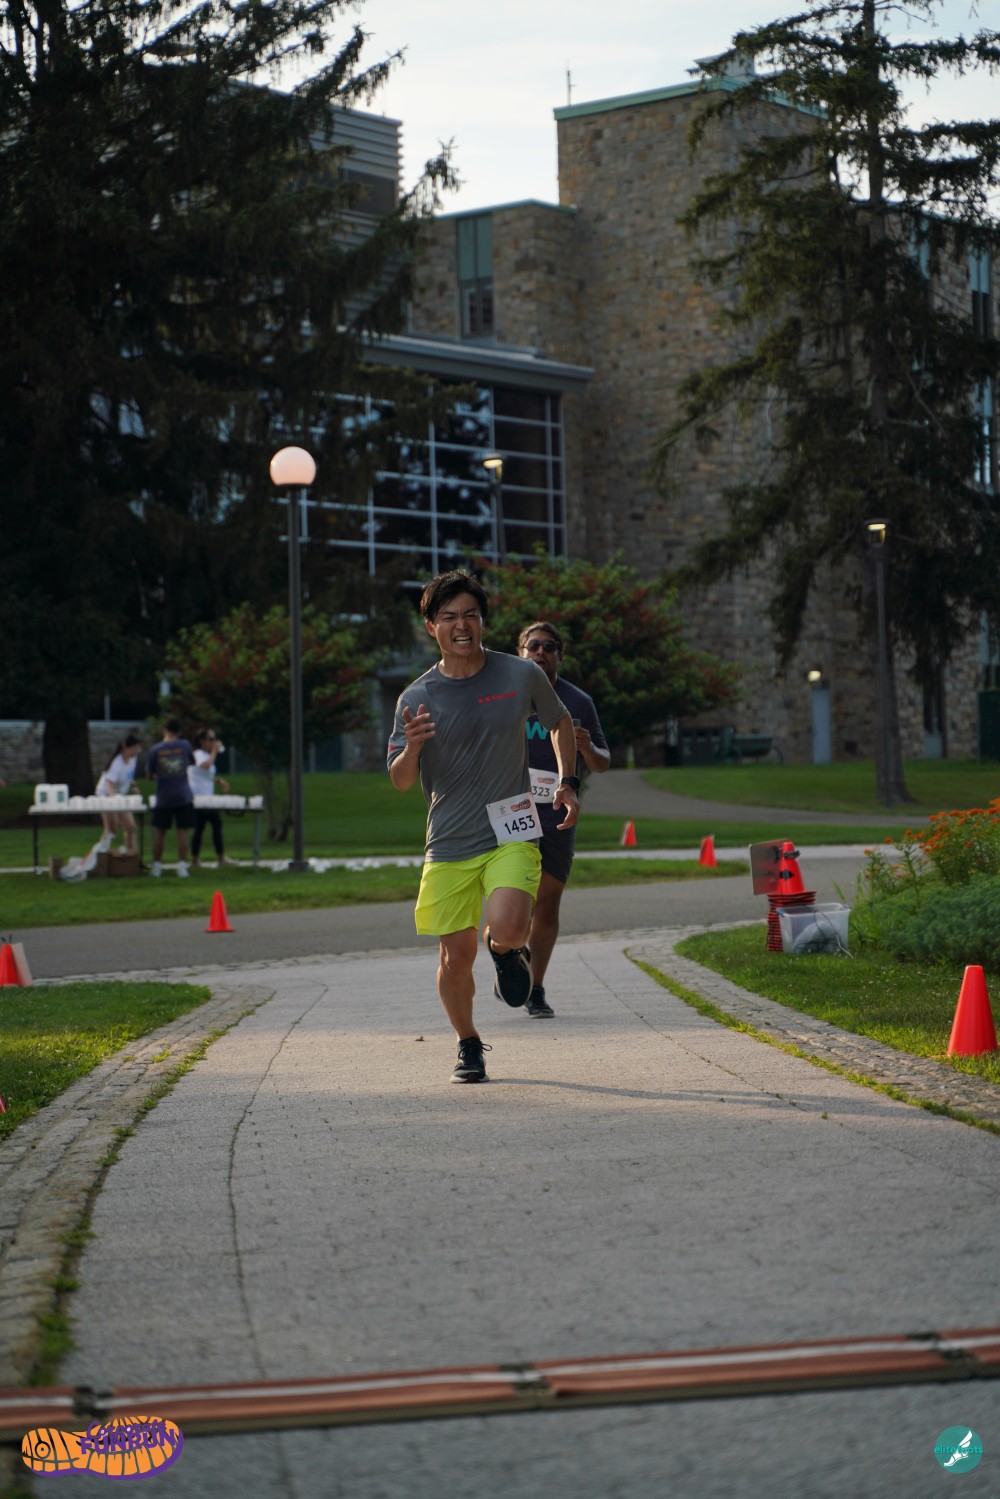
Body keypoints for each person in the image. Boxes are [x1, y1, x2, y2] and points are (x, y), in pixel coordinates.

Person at [387, 569, 580, 1084]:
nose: (462, 625)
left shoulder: (520, 674)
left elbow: (560, 721)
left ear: (483, 620)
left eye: (470, 614)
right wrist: (413, 747)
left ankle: (505, 951)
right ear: (431, 627)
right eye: (449, 617)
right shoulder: (416, 697)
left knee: (512, 926)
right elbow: (400, 780)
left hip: (511, 826)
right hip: (449, 839)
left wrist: (567, 781)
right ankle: (468, 1043)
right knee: (455, 958)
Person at [519, 621, 610, 1017]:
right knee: (512, 903)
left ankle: (535, 988)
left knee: (547, 904)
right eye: (533, 645)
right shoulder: (506, 696)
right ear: (521, 652)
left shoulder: (578, 701)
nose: (541, 652)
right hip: (512, 809)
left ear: (560, 655)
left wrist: (588, 750)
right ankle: (507, 955)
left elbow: (603, 762)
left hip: (558, 811)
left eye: (549, 646)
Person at [146, 718, 195, 878]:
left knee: (160, 832)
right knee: (182, 831)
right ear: (179, 732)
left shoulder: (155, 750)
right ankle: (182, 866)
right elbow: (191, 762)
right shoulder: (185, 745)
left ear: (164, 730)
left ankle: (156, 867)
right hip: (183, 795)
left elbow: (150, 775)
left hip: (164, 796)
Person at [188, 728, 236, 869]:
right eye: (210, 739)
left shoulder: (205, 755)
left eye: (214, 739)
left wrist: (218, 780)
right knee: (206, 826)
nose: (213, 742)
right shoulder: (198, 754)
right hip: (199, 799)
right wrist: (215, 751)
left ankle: (206, 858)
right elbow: (206, 766)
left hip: (207, 798)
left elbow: (204, 775)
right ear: (201, 741)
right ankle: (202, 859)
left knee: (211, 826)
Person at [95, 733, 142, 855]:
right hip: (106, 795)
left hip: (120, 795)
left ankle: (131, 854)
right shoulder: (117, 763)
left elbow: (128, 775)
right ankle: (100, 854)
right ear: (126, 748)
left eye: (138, 748)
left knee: (130, 827)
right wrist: (114, 802)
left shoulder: (132, 759)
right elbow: (109, 784)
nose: (136, 752)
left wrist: (134, 786)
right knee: (112, 829)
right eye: (134, 749)